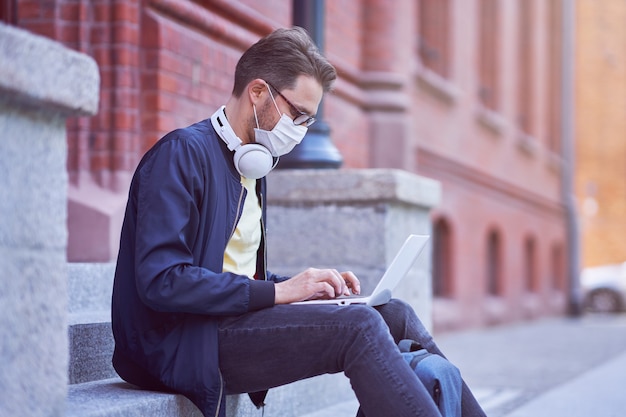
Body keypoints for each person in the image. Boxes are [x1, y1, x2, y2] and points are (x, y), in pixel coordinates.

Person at [111, 27, 486, 417]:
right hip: (179, 341)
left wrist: (307, 287)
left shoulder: (251, 166)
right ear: (258, 93)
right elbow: (163, 281)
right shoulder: (181, 155)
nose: (302, 131)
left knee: (395, 314)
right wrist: (280, 293)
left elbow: (236, 276)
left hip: (225, 325)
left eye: (309, 121)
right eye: (298, 115)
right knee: (357, 326)